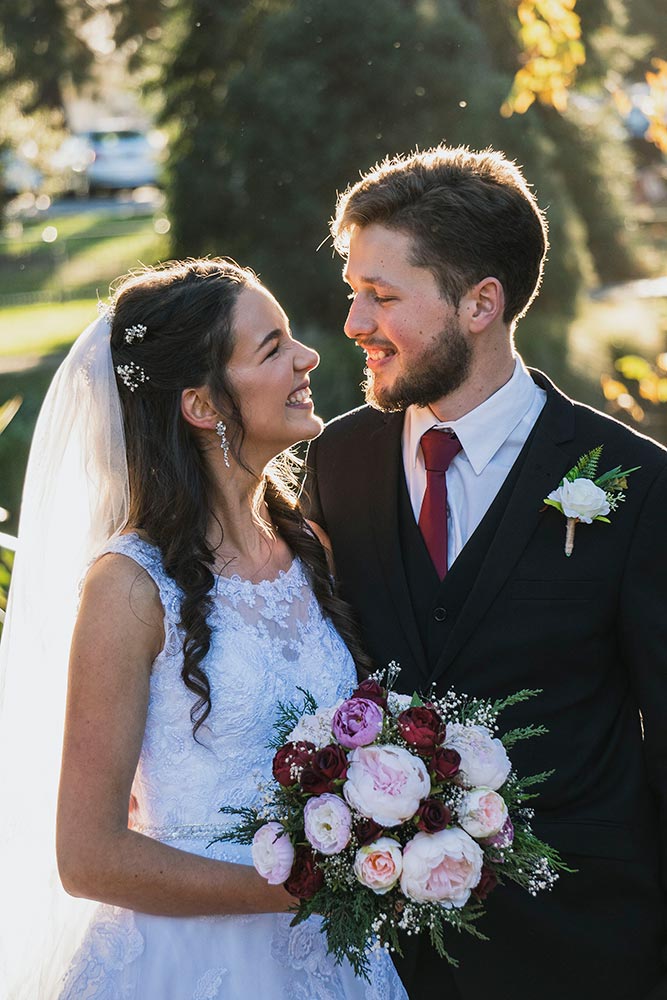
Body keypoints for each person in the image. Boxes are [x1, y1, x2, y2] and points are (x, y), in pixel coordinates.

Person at [304, 146, 667, 1000]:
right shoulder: (334, 462)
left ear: (480, 303)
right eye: (353, 291)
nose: (354, 323)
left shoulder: (636, 483)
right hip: (379, 957)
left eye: (383, 298)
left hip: (583, 948)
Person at [0, 259, 407, 1000]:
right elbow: (87, 857)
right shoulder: (128, 586)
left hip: (333, 957)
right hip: (188, 967)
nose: (307, 357)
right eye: (272, 347)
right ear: (200, 405)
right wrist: (293, 889)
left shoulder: (310, 547)